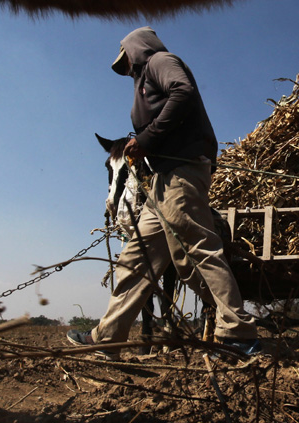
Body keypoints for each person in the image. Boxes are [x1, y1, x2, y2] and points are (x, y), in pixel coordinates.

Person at [69, 27, 260, 357]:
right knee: (135, 258)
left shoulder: (160, 61)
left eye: (125, 58)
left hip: (181, 172)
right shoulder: (142, 80)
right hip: (160, 181)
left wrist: (145, 140)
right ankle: (109, 336)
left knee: (196, 252)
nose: (125, 66)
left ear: (136, 49)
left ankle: (239, 333)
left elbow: (182, 92)